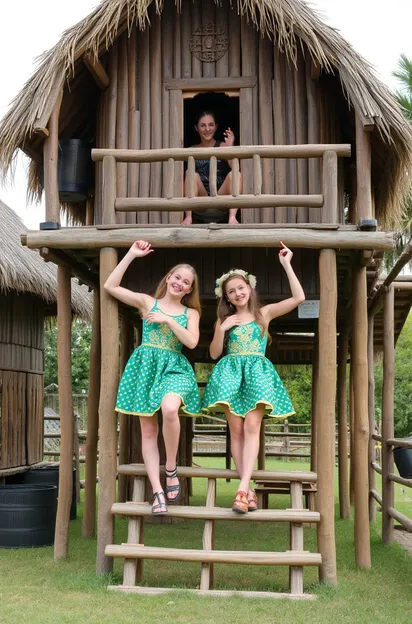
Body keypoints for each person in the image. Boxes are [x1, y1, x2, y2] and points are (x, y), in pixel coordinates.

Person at [202, 243, 305, 514]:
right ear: (226, 297)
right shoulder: (224, 320)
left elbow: (298, 298)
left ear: (249, 288)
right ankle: (248, 491)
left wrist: (286, 264)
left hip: (258, 373)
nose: (237, 293)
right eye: (231, 291)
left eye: (240, 288)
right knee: (235, 431)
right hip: (230, 374)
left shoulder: (264, 314)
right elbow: (213, 354)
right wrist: (222, 329)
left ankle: (241, 490)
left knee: (251, 427)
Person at [104, 240, 201, 515]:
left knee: (170, 409)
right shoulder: (148, 302)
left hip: (174, 366)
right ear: (169, 277)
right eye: (177, 277)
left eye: (186, 282)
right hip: (146, 366)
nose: (180, 283)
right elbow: (110, 286)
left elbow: (192, 342)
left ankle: (171, 467)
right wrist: (132, 255)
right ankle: (157, 490)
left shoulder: (190, 312)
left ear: (189, 289)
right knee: (148, 431)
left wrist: (168, 321)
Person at [182, 110, 242, 225]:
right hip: (200, 203)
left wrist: (230, 148)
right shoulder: (191, 150)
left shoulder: (223, 146)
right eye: (203, 126)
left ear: (216, 127)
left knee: (235, 174)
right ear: (196, 128)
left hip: (221, 201)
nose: (207, 129)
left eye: (211, 125)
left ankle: (232, 217)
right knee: (191, 173)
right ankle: (188, 217)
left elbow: (236, 168)